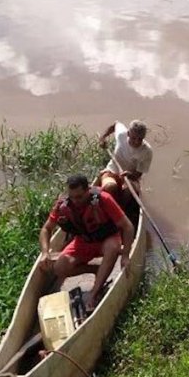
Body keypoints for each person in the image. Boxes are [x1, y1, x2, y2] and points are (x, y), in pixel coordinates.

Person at [38, 174, 135, 310]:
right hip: (84, 241)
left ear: (88, 190)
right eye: (72, 197)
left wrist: (125, 255)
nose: (75, 201)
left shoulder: (103, 199)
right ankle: (97, 269)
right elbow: (46, 229)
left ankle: (94, 292)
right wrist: (45, 252)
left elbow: (128, 226)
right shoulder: (63, 205)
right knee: (59, 268)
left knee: (113, 247)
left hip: (107, 238)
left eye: (79, 197)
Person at [98, 120, 153, 203]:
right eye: (133, 138)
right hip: (112, 170)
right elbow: (115, 124)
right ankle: (109, 205)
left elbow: (138, 173)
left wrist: (130, 175)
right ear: (128, 134)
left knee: (128, 193)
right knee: (110, 187)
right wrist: (102, 138)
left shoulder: (147, 151)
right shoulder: (121, 135)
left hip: (130, 177)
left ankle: (120, 209)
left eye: (140, 139)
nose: (136, 142)